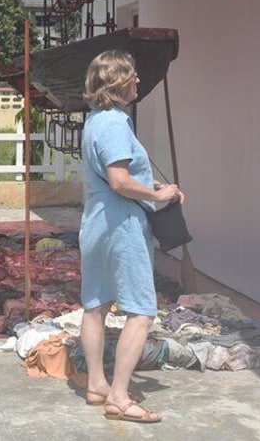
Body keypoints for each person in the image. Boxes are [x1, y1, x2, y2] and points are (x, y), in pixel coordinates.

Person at [78, 49, 184, 423]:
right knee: (141, 311)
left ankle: (97, 384)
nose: (139, 81)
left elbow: (112, 176)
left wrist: (154, 185)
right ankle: (119, 397)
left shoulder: (94, 121)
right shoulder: (114, 124)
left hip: (96, 220)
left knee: (96, 304)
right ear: (119, 81)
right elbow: (121, 182)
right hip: (120, 224)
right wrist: (158, 195)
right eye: (134, 75)